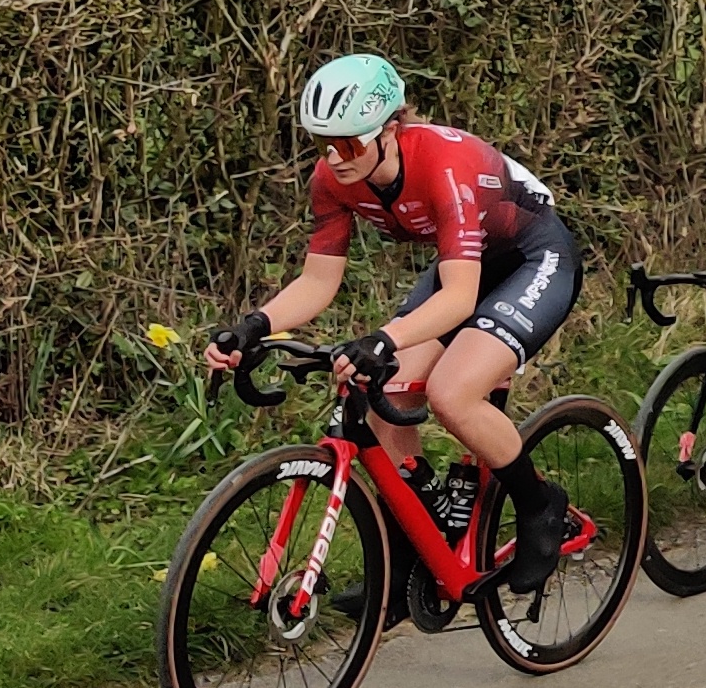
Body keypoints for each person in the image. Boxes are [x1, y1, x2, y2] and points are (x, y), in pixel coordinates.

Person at [206, 55, 582, 593]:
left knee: (453, 394)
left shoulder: (441, 164)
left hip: (532, 258)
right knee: (381, 397)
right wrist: (254, 327)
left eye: (350, 144)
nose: (335, 158)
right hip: (464, 264)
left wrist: (384, 337)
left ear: (391, 130)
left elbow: (458, 298)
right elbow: (317, 282)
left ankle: (539, 505)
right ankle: (415, 557)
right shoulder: (333, 179)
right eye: (323, 143)